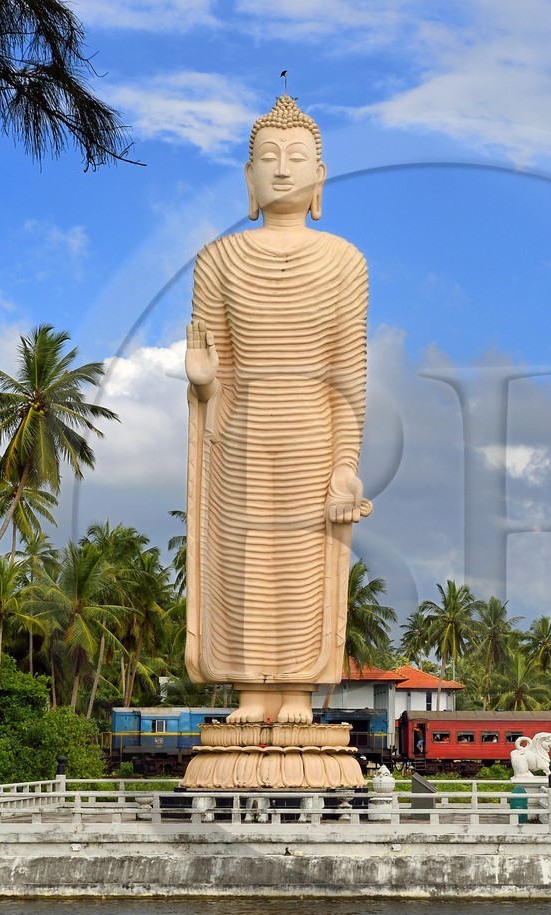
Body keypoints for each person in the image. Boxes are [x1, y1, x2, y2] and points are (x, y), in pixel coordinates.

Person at [184, 95, 372, 725]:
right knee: (242, 562)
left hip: (312, 435)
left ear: (321, 177)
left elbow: (348, 375)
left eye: (298, 158)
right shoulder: (217, 259)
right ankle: (250, 691)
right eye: (268, 158)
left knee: (300, 567)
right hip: (239, 433)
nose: (283, 170)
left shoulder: (346, 261)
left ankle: (294, 693)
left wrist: (345, 463)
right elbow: (217, 367)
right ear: (248, 178)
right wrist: (203, 385)